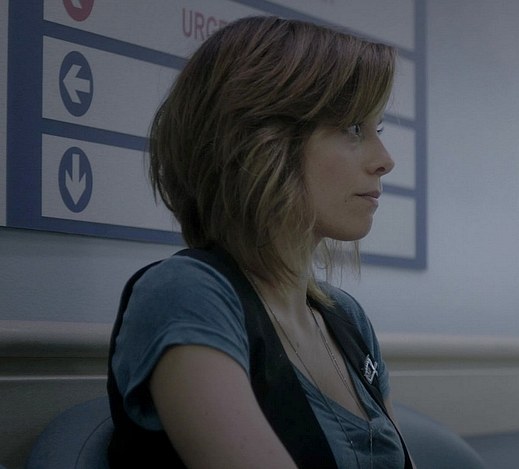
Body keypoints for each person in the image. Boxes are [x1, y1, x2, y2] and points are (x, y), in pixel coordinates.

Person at [106, 16, 412, 468]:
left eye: (377, 130)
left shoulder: (347, 319)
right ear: (261, 141)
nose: (385, 160)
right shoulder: (188, 293)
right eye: (352, 128)